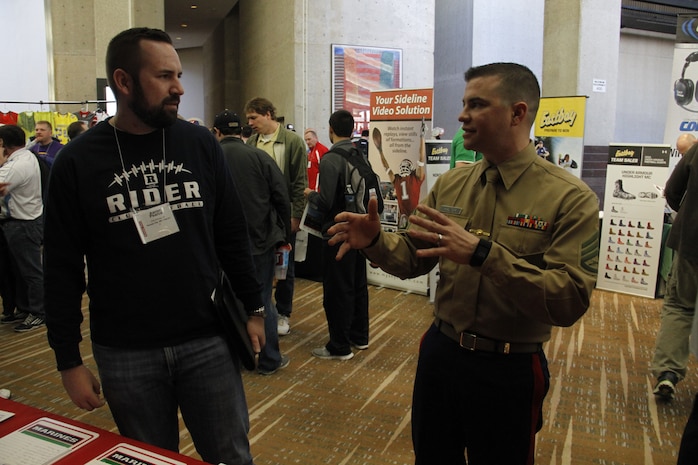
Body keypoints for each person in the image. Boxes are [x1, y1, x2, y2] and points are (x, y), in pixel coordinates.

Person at [326, 62, 599, 464]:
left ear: (517, 113)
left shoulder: (570, 199)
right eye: (463, 103)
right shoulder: (454, 184)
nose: (461, 115)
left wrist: (484, 255)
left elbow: (569, 300)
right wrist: (376, 242)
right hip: (442, 353)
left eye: (477, 104)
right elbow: (414, 257)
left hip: (509, 367)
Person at [42, 28, 265, 465]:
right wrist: (68, 359)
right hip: (126, 352)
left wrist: (255, 309)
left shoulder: (200, 144)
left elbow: (231, 234)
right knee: (149, 461)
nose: (179, 87)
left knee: (231, 456)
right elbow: (61, 268)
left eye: (178, 74)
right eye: (165, 76)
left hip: (208, 340)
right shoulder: (77, 162)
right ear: (124, 82)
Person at [213, 109, 292, 376]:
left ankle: (234, 357)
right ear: (241, 132)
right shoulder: (259, 157)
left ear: (217, 132)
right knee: (261, 302)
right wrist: (283, 235)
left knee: (224, 300)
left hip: (219, 247)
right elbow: (282, 197)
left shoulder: (209, 159)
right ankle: (269, 359)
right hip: (259, 243)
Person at [305, 110, 370, 361]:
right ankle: (359, 336)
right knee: (357, 284)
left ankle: (339, 346)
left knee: (337, 289)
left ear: (331, 129)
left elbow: (325, 200)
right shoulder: (359, 154)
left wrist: (309, 194)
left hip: (337, 232)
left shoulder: (332, 158)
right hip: (360, 229)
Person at [245, 97, 308, 336]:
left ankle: (283, 313)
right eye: (248, 118)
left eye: (254, 117)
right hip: (258, 215)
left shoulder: (292, 142)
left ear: (268, 114)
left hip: (283, 215)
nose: (250, 122)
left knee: (284, 266)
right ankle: (260, 310)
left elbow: (300, 181)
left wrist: (296, 216)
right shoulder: (251, 142)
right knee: (259, 264)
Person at [650, 135, 698, 401]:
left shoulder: (696, 152)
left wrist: (688, 214)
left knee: (680, 306)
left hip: (692, 243)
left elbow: (673, 190)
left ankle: (667, 373)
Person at [0, 124, 45, 332]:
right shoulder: (25, 157)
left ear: (3, 144)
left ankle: (39, 312)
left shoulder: (16, 165)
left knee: (30, 271)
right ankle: (27, 308)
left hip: (23, 223)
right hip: (22, 221)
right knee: (20, 271)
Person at [377, 121, 426, 229]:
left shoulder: (397, 180)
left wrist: (380, 152)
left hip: (403, 217)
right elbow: (421, 158)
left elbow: (387, 167)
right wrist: (422, 137)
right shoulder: (415, 178)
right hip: (412, 215)